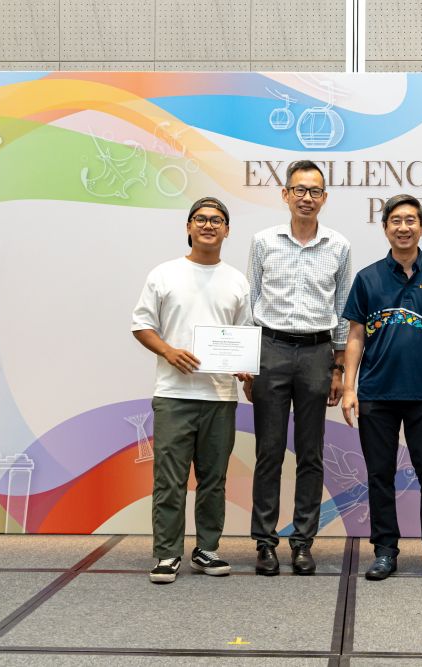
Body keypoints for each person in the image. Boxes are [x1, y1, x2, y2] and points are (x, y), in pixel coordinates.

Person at [341, 194, 422, 582]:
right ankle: (384, 550)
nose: (403, 227)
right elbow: (355, 336)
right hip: (376, 394)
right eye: (395, 220)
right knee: (380, 475)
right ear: (385, 228)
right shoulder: (368, 278)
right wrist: (349, 387)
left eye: (411, 220)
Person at [131, 197, 252, 584]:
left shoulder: (237, 281)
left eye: (217, 220)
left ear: (227, 230)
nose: (208, 225)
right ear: (188, 227)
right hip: (174, 394)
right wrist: (168, 351)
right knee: (170, 479)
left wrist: (244, 368)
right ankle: (167, 553)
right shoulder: (164, 274)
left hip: (220, 397)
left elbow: (243, 337)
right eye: (200, 219)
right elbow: (141, 324)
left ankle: (207, 550)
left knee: (214, 480)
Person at [245, 160, 353, 576]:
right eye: (299, 190)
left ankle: (303, 541)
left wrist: (338, 368)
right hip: (270, 349)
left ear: (324, 197)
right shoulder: (263, 242)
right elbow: (251, 303)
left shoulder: (338, 246)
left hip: (316, 353)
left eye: (315, 191)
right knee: (269, 451)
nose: (307, 198)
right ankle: (265, 542)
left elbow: (342, 310)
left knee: (311, 453)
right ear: (285, 194)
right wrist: (248, 363)